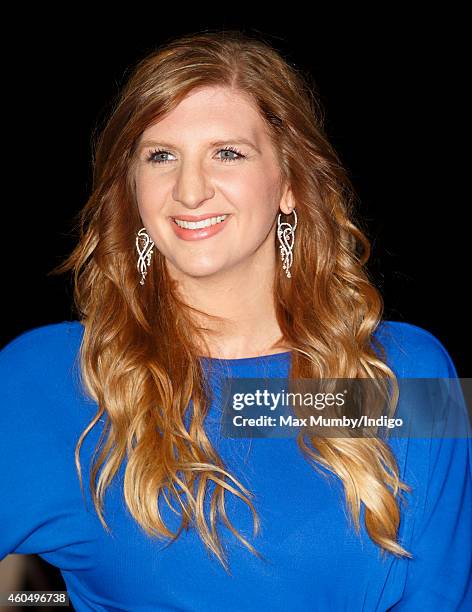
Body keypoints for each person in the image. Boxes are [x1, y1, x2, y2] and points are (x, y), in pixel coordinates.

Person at [1, 29, 471, 611]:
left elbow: (443, 595)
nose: (191, 189)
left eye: (228, 153)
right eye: (161, 156)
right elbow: (23, 590)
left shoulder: (410, 374)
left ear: (291, 183)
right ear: (133, 189)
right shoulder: (47, 378)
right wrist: (38, 602)